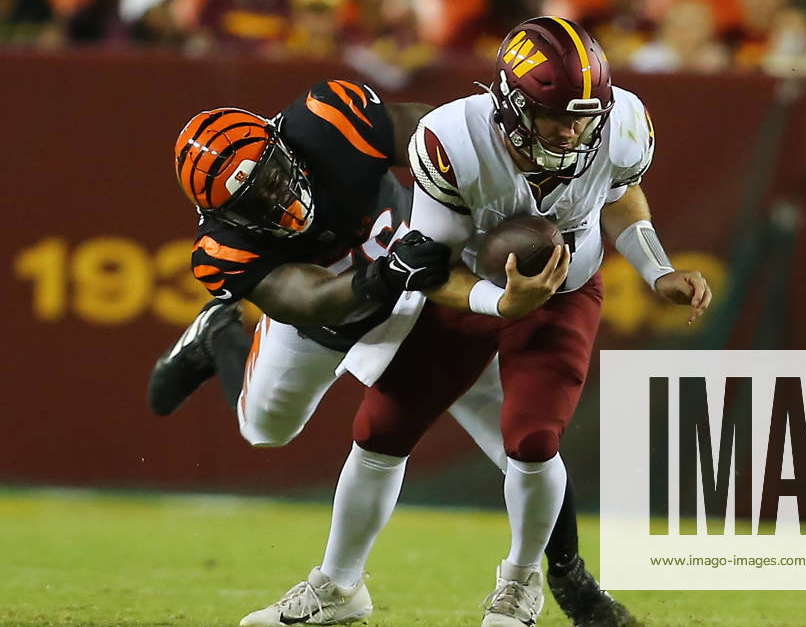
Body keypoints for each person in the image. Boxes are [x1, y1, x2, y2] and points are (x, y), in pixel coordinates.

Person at [149, 77, 637, 626]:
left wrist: (482, 184)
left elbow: (440, 139)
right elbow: (310, 299)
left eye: (270, 178)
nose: (275, 199)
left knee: (521, 441)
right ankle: (221, 334)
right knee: (265, 428)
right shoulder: (221, 250)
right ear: (223, 217)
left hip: (422, 286)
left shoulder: (328, 120)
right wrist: (382, 274)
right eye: (251, 203)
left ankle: (570, 581)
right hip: (326, 318)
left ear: (281, 143)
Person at [313, 16, 712, 627]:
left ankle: (520, 582)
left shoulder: (622, 123)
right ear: (509, 101)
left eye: (586, 115)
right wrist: (497, 303)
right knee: (379, 429)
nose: (575, 129)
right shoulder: (452, 138)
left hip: (565, 287)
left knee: (533, 440)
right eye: (558, 115)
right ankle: (337, 589)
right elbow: (429, 266)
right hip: (469, 288)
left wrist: (657, 269)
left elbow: (620, 191)